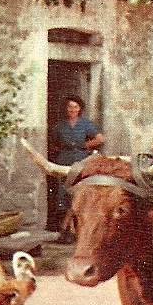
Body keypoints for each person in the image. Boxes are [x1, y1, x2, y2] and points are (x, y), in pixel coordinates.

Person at [53, 96, 104, 240]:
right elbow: (54, 144)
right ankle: (69, 230)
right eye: (70, 107)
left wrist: (84, 146)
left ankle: (69, 229)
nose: (72, 110)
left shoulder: (86, 124)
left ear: (80, 108)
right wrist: (63, 150)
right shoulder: (60, 126)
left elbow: (100, 139)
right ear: (66, 108)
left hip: (80, 161)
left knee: (79, 193)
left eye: (75, 107)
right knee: (64, 192)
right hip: (64, 160)